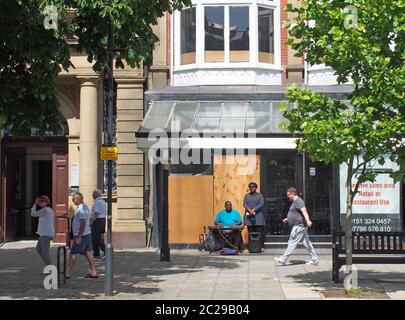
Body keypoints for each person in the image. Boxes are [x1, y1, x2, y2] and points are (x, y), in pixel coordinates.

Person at [274, 187, 319, 266]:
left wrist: (308, 220)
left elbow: (304, 211)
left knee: (292, 241)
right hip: (301, 225)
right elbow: (296, 214)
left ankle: (283, 259)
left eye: (288, 195)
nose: (288, 197)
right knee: (307, 244)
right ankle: (314, 260)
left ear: (293, 193)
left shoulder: (298, 201)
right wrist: (288, 219)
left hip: (299, 225)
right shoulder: (295, 202)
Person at [66, 192, 98, 279]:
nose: (72, 200)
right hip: (86, 234)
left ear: (77, 199)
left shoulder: (81, 209)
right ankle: (93, 271)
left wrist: (79, 236)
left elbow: (83, 222)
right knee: (87, 252)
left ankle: (67, 273)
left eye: (73, 198)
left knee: (73, 253)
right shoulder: (85, 207)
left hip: (82, 235)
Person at [31, 195, 55, 268]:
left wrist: (34, 205)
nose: (41, 203)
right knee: (38, 249)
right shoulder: (49, 210)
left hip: (46, 234)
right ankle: (48, 265)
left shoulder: (45, 210)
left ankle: (50, 267)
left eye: (42, 201)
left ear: (46, 202)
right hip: (44, 233)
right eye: (40, 201)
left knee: (45, 252)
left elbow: (33, 214)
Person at [243, 182, 266, 250]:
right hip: (249, 217)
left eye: (253, 186)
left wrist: (254, 210)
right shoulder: (247, 195)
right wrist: (249, 210)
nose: (251, 188)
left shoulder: (260, 195)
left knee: (259, 232)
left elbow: (261, 203)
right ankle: (251, 246)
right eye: (250, 187)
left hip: (258, 217)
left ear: (256, 187)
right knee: (250, 232)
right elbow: (244, 204)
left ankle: (260, 246)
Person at [90, 189, 106, 258]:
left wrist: (92, 221)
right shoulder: (102, 201)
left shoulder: (97, 202)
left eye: (93, 194)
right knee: (96, 237)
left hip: (97, 221)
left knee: (96, 237)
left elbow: (97, 213)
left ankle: (105, 250)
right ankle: (96, 253)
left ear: (97, 194)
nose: (92, 196)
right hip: (102, 220)